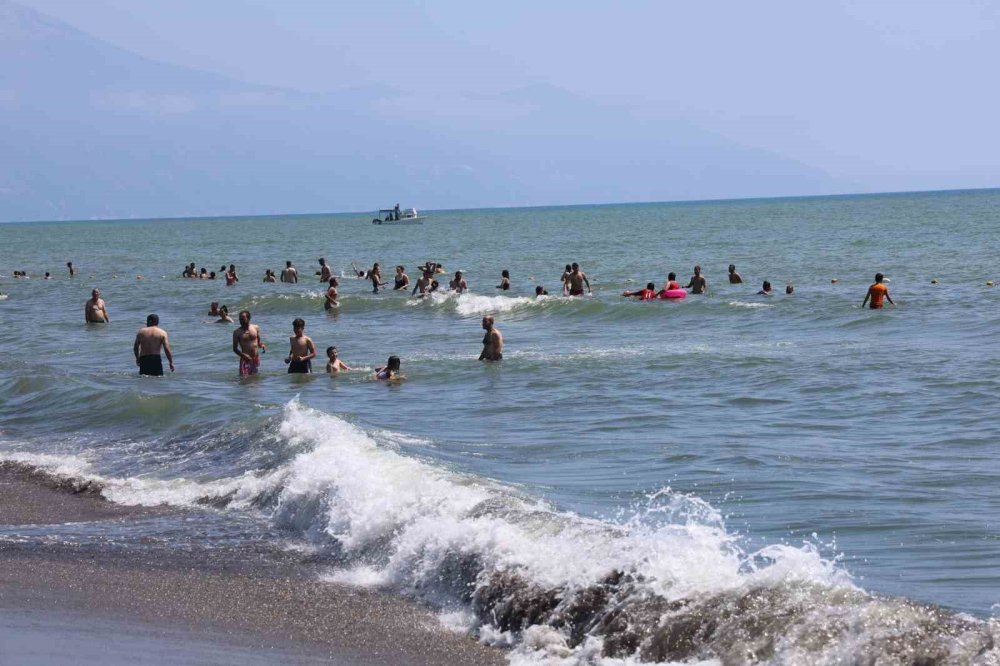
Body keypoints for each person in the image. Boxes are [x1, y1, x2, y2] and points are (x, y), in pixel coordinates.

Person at [232, 310, 266, 377]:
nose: (241, 321)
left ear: (248, 318)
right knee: (244, 379)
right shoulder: (237, 332)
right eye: (240, 319)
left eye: (243, 319)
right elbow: (235, 349)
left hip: (255, 358)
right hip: (245, 359)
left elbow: (258, 342)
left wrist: (262, 345)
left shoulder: (256, 328)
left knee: (255, 379)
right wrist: (243, 355)